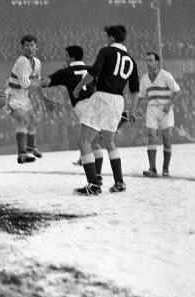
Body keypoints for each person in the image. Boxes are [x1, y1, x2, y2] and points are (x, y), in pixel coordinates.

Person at [72, 25, 140, 195]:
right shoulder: (131, 60)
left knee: (84, 141)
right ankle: (119, 182)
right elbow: (135, 89)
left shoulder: (106, 51)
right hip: (119, 101)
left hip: (103, 96)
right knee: (108, 141)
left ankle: (93, 184)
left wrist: (79, 86)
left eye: (106, 37)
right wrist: (132, 110)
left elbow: (93, 73)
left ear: (110, 38)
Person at [41, 45, 105, 181]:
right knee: (93, 143)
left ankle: (93, 182)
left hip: (84, 106)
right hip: (98, 106)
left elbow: (45, 83)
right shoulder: (90, 69)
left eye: (66, 55)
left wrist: (31, 80)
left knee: (84, 142)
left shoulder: (66, 72)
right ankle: (97, 177)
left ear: (71, 57)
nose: (64, 58)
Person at [6, 34, 52, 164]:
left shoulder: (37, 62)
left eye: (32, 45)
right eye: (27, 45)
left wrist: (44, 98)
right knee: (23, 120)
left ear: (36, 47)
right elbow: (26, 84)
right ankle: (21, 155)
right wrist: (43, 83)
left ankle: (31, 147)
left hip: (23, 96)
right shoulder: (22, 61)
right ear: (22, 48)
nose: (30, 48)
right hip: (12, 95)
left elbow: (36, 81)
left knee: (33, 120)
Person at [137, 52, 181, 177]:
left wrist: (169, 104)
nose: (148, 63)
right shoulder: (145, 78)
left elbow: (177, 91)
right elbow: (141, 96)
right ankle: (152, 169)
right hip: (151, 109)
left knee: (166, 138)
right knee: (151, 136)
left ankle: (165, 169)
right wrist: (136, 109)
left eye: (150, 60)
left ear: (157, 62)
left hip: (165, 110)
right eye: (147, 61)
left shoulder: (166, 75)